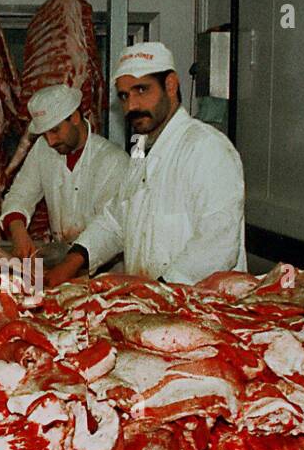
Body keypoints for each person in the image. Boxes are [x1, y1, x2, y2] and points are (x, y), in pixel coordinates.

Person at [45, 41, 246, 287]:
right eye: (124, 96)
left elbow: (218, 245)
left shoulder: (206, 147)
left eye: (142, 90)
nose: (131, 106)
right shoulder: (141, 148)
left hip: (202, 308)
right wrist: (71, 263)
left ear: (170, 85)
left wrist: (157, 291)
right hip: (155, 307)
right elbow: (118, 219)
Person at [0, 84, 126, 259]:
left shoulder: (113, 160)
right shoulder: (43, 149)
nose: (50, 141)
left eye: (55, 130)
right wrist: (18, 231)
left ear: (74, 117)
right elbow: (20, 194)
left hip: (103, 267)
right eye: (44, 134)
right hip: (62, 260)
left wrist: (71, 264)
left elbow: (109, 229)